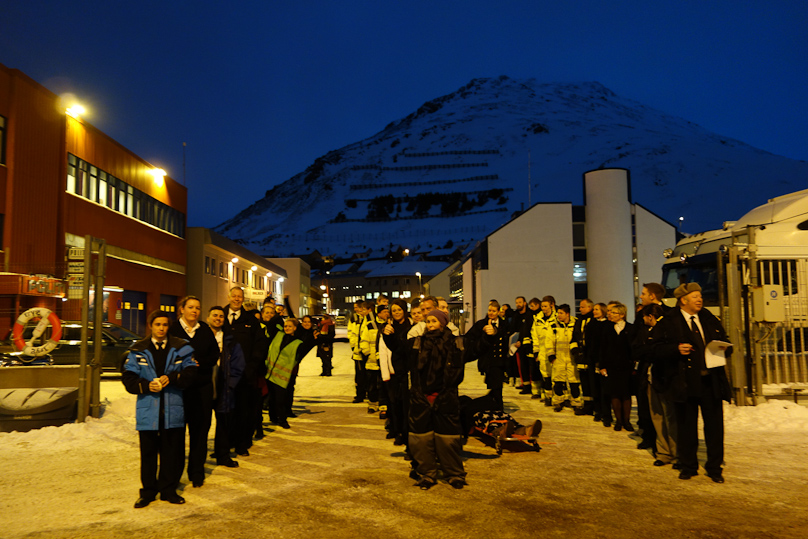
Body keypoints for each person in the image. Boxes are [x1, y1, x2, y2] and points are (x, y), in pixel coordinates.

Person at [654, 283, 731, 483]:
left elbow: (725, 340)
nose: (700, 299)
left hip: (710, 381)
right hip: (684, 383)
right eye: (695, 296)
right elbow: (652, 348)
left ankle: (715, 467)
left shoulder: (707, 317)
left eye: (700, 296)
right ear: (683, 300)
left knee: (714, 427)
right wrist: (675, 349)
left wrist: (723, 348)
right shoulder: (669, 320)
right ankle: (688, 466)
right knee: (686, 426)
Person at [122, 311, 197, 508]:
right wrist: (146, 386)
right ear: (150, 326)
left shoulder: (182, 348)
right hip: (149, 411)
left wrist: (172, 378)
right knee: (148, 454)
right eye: (157, 324)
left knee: (170, 453)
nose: (162, 328)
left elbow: (191, 372)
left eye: (165, 325)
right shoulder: (138, 350)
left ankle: (168, 490)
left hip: (173, 410)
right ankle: (147, 492)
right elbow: (128, 379)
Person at [408, 309, 467, 490]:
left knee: (447, 440)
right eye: (428, 321)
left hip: (445, 397)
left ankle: (454, 474)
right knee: (421, 440)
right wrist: (388, 335)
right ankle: (427, 474)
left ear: (442, 323)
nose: (429, 324)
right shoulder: (418, 342)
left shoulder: (454, 342)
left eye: (433, 320)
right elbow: (398, 348)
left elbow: (477, 348)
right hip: (422, 397)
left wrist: (490, 336)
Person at [169, 296, 219, 488]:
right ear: (181, 309)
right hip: (179, 390)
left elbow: (214, 354)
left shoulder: (205, 330)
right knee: (177, 434)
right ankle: (175, 475)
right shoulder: (173, 330)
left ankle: (196, 472)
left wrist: (200, 363)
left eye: (197, 308)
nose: (194, 311)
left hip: (202, 388)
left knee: (200, 432)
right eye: (190, 307)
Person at [634, 303, 679, 468]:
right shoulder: (644, 332)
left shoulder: (667, 329)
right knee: (657, 416)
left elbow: (660, 351)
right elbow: (636, 350)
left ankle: (676, 453)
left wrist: (649, 350)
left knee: (670, 417)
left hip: (664, 379)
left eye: (644, 317)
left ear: (650, 316)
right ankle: (663, 452)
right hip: (650, 378)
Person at [223, 286, 264, 457]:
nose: (237, 299)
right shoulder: (219, 316)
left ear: (243, 298)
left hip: (244, 376)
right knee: (224, 413)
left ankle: (241, 444)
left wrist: (251, 367)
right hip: (223, 375)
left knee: (242, 411)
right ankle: (224, 445)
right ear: (229, 296)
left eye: (240, 297)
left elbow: (260, 345)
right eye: (234, 296)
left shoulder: (251, 320)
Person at [208, 306, 244, 468]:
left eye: (221, 316)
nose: (218, 318)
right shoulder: (202, 337)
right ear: (208, 317)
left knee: (223, 424)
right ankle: (199, 458)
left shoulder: (230, 340)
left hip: (224, 385)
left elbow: (238, 364)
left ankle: (223, 455)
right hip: (204, 385)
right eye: (215, 315)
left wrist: (230, 384)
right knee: (202, 425)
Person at [264, 317, 315, 428]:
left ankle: (282, 420)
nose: (287, 328)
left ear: (295, 328)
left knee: (280, 399)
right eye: (286, 326)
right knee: (271, 398)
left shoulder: (298, 343)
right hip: (269, 372)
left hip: (282, 375)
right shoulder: (278, 335)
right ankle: (273, 417)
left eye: (290, 326)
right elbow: (271, 324)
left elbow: (308, 346)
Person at [598, 302, 637, 432]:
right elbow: (602, 348)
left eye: (614, 313)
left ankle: (627, 421)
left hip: (626, 366)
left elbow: (633, 348)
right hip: (611, 366)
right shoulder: (607, 328)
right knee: (614, 394)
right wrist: (602, 366)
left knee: (626, 395)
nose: (610, 314)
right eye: (610, 312)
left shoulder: (630, 328)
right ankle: (618, 421)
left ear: (622, 315)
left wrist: (633, 365)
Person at [465, 300, 509, 410]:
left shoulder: (504, 324)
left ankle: (498, 406)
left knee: (497, 386)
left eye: (494, 311)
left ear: (498, 312)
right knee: (493, 384)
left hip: (500, 360)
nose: (491, 313)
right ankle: (494, 404)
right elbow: (469, 337)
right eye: (489, 310)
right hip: (487, 360)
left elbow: (506, 339)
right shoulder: (481, 324)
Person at [381, 299, 413, 445]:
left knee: (406, 404)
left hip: (408, 370)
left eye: (399, 309)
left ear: (405, 310)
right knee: (395, 403)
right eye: (394, 310)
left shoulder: (412, 326)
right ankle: (397, 430)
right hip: (394, 370)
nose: (397, 313)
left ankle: (405, 433)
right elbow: (384, 350)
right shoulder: (388, 328)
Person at [548, 304, 580, 412]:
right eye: (558, 313)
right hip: (559, 357)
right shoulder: (553, 325)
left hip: (572, 358)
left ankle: (576, 403)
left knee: (574, 381)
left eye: (561, 313)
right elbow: (549, 341)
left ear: (567, 314)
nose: (558, 315)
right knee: (558, 381)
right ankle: (558, 402)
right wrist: (551, 355)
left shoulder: (576, 323)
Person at [360, 304, 389, 415]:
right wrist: (367, 354)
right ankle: (372, 404)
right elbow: (364, 340)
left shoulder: (389, 325)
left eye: (387, 311)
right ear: (379, 314)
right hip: (371, 361)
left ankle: (383, 405)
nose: (387, 313)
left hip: (384, 362)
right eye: (384, 312)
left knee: (383, 385)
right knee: (372, 385)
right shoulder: (371, 325)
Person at [570, 299, 595, 415]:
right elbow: (574, 337)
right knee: (584, 382)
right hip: (581, 357)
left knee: (593, 382)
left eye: (582, 307)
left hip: (592, 357)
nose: (580, 309)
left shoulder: (594, 321)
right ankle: (587, 406)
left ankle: (596, 407)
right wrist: (575, 351)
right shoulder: (579, 320)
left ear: (590, 307)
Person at [531, 296, 558, 404]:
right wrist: (536, 352)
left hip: (555, 350)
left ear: (551, 306)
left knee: (556, 375)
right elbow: (535, 337)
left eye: (546, 306)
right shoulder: (537, 319)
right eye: (542, 306)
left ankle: (558, 397)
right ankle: (548, 396)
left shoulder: (556, 317)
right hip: (542, 351)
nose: (543, 308)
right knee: (545, 375)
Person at [512, 296, 539, 395]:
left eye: (520, 302)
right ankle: (526, 385)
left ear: (524, 303)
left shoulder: (530, 314)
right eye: (516, 302)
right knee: (522, 366)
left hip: (530, 344)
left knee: (531, 366)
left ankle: (532, 386)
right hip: (519, 345)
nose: (518, 304)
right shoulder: (516, 315)